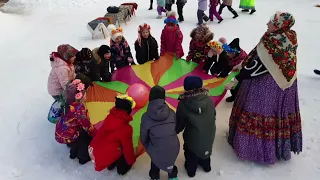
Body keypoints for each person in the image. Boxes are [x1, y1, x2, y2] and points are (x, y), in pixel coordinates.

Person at [225, 12, 302, 165]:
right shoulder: (282, 36)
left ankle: (257, 150)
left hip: (269, 85)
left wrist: (237, 79)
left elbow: (260, 66)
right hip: (281, 83)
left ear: (279, 25)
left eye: (271, 22)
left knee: (262, 111)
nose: (267, 24)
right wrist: (241, 65)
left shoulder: (277, 41)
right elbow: (256, 53)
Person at [176, 76, 216, 177]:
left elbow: (180, 121)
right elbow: (213, 114)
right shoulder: (208, 100)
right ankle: (206, 166)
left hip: (192, 136)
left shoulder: (183, 104)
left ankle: (191, 170)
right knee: (205, 148)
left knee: (191, 151)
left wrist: (176, 130)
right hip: (209, 133)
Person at [89, 94, 136, 177]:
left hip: (95, 151)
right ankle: (119, 167)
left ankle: (111, 164)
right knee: (123, 162)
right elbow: (128, 148)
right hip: (105, 155)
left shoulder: (110, 116)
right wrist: (131, 161)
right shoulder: (126, 129)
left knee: (112, 143)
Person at [140, 86, 180, 180]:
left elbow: (143, 137)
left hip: (157, 149)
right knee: (170, 160)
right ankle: (173, 176)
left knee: (156, 158)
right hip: (173, 147)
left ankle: (154, 176)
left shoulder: (146, 117)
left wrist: (149, 147)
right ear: (164, 98)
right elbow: (174, 128)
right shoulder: (172, 112)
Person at [55, 79, 96, 165]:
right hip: (68, 134)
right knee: (85, 137)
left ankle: (72, 152)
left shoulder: (67, 103)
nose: (86, 95)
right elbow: (86, 125)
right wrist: (95, 134)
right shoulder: (79, 108)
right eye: (84, 94)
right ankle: (83, 157)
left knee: (77, 134)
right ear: (79, 96)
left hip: (60, 131)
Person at [221, 38, 247, 102]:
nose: (227, 54)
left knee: (238, 88)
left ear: (234, 53)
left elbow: (244, 72)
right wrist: (223, 74)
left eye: (229, 53)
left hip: (242, 75)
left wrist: (234, 79)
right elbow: (228, 66)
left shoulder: (243, 59)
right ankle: (233, 96)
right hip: (234, 72)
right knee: (231, 86)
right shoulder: (231, 56)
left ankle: (238, 98)